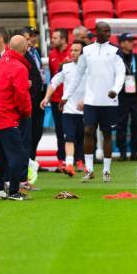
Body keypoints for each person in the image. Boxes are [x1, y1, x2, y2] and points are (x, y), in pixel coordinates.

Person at [63, 21, 125, 182]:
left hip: (110, 102)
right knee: (88, 131)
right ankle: (89, 170)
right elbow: (77, 76)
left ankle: (106, 170)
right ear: (96, 32)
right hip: (91, 101)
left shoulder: (115, 51)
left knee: (107, 134)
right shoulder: (87, 51)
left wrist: (115, 90)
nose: (108, 33)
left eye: (109, 30)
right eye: (104, 30)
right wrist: (65, 96)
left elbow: (121, 73)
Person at [0, 35, 32, 201]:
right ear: (24, 49)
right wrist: (26, 112)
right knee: (18, 155)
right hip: (8, 116)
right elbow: (21, 95)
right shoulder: (20, 68)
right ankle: (14, 191)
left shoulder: (4, 60)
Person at [41, 40, 86, 176]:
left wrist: (86, 100)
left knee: (84, 138)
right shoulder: (66, 68)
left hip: (86, 111)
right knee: (69, 137)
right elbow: (54, 83)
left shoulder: (90, 69)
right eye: (71, 50)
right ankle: (70, 164)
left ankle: (83, 162)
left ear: (83, 53)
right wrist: (46, 98)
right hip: (69, 110)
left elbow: (96, 87)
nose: (72, 53)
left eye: (76, 50)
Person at [116, 33, 137, 161]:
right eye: (128, 41)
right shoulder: (116, 59)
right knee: (121, 124)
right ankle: (122, 152)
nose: (131, 43)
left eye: (132, 41)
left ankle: (134, 152)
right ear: (122, 43)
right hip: (122, 96)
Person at [22, 27, 46, 165]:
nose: (32, 38)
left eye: (34, 35)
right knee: (29, 132)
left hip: (39, 96)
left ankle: (32, 160)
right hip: (30, 97)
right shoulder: (22, 55)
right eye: (28, 36)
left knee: (37, 131)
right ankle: (28, 161)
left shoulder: (35, 51)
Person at [48, 28, 71, 170]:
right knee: (59, 130)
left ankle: (76, 158)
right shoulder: (51, 54)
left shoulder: (72, 52)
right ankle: (61, 159)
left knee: (73, 130)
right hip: (57, 99)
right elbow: (53, 77)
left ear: (63, 39)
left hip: (71, 99)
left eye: (55, 38)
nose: (52, 40)